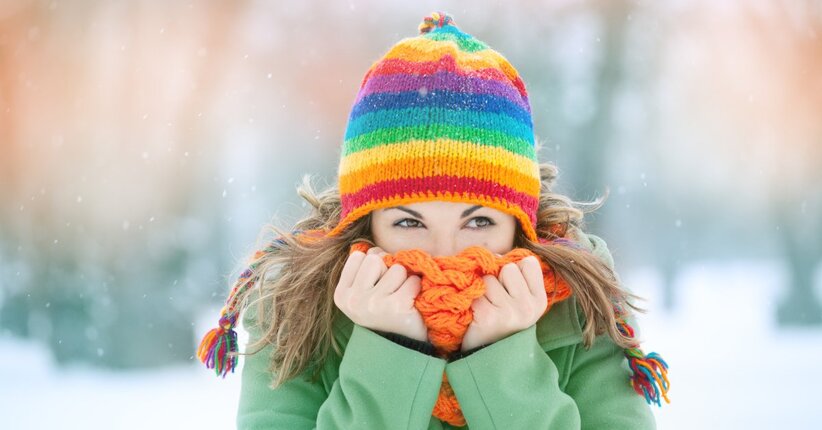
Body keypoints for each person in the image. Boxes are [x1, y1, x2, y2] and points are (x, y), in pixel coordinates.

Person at [197, 11, 669, 429]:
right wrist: (389, 350)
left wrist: (501, 361)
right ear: (366, 222)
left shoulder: (581, 305)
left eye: (479, 222)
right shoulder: (295, 312)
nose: (445, 253)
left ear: (519, 225)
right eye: (408, 223)